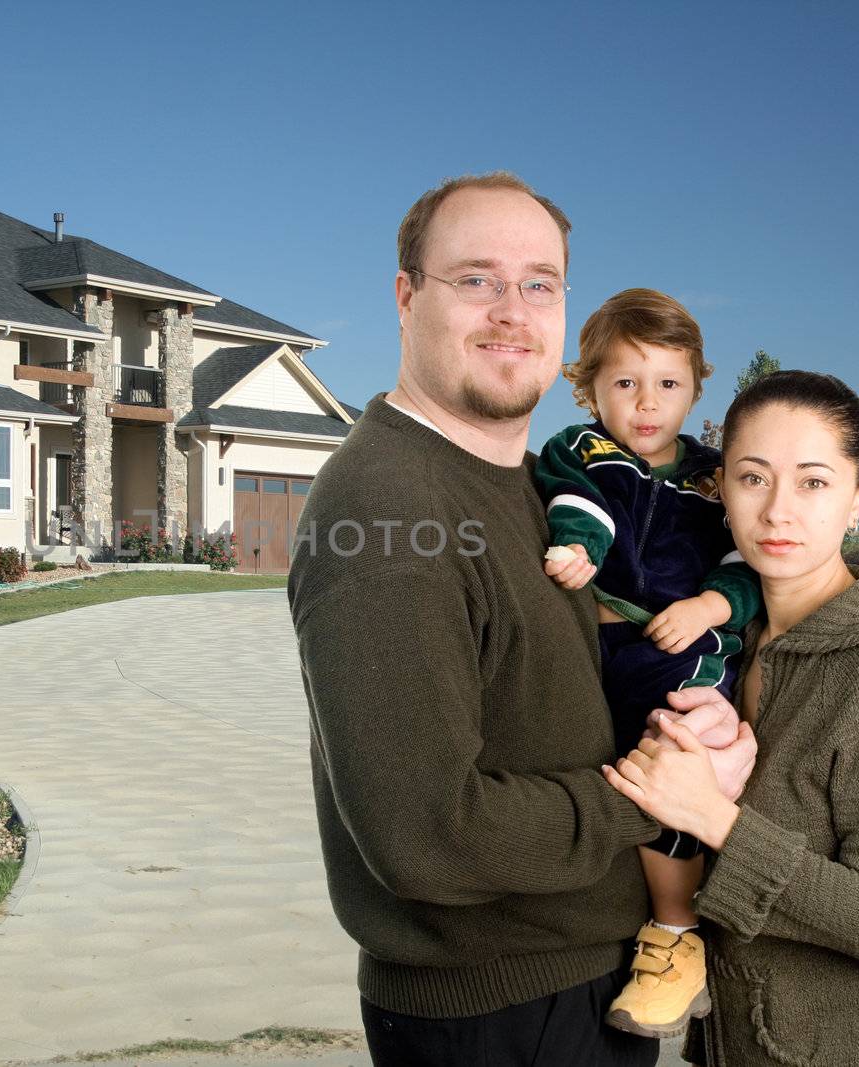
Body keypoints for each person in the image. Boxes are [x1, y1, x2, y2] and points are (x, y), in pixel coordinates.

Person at [287, 171, 757, 1067]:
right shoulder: (391, 507)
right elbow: (428, 836)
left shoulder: (528, 484)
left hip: (568, 990)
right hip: (501, 1013)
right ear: (405, 297)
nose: (512, 310)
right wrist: (659, 794)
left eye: (538, 283)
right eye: (476, 279)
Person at [603, 370, 859, 1066]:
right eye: (752, 477)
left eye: (813, 481)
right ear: (720, 489)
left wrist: (713, 814)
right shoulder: (728, 648)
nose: (777, 511)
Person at [536, 289, 761, 1039]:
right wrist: (578, 551)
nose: (645, 402)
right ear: (590, 385)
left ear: (696, 387)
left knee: (668, 755)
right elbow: (583, 506)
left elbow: (740, 563)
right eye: (624, 382)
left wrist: (707, 608)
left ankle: (675, 934)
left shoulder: (711, 474)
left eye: (667, 383)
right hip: (605, 644)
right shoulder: (585, 449)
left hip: (687, 648)